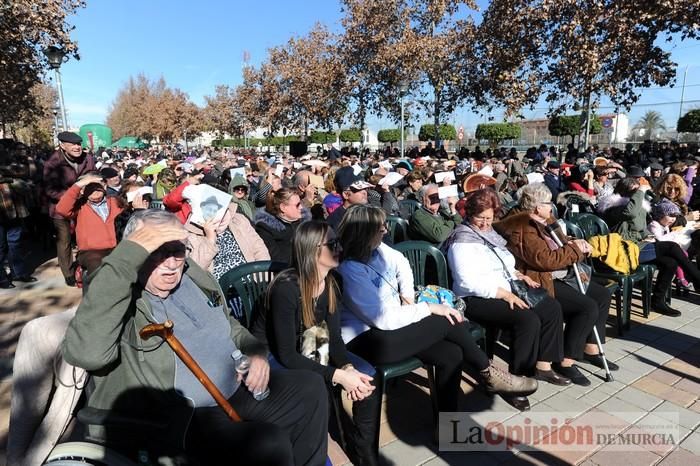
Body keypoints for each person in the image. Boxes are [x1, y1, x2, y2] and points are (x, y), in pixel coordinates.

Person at [62, 209, 329, 466]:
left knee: (310, 387)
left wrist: (256, 353)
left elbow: (229, 325)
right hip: (184, 416)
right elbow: (86, 353)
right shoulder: (120, 296)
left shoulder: (192, 275)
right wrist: (127, 256)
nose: (170, 264)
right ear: (134, 254)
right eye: (156, 252)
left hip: (236, 386)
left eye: (176, 250)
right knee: (267, 444)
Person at [337, 205, 537, 415]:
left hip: (394, 325)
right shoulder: (350, 269)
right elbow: (382, 319)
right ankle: (488, 372)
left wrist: (407, 297)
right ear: (365, 233)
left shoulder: (377, 250)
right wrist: (428, 307)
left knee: (451, 353)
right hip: (367, 340)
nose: (386, 231)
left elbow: (402, 263)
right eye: (380, 228)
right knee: (444, 319)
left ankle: (447, 425)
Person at [253, 221, 380, 466]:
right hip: (271, 354)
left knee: (366, 378)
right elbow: (287, 355)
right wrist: (337, 376)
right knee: (317, 388)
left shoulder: (330, 283)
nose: (339, 247)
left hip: (310, 339)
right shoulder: (286, 288)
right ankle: (316, 455)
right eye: (332, 244)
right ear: (312, 251)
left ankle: (364, 455)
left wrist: (347, 368)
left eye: (338, 242)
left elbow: (333, 337)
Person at [445, 189, 568, 410]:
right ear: (469, 215)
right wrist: (504, 293)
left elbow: (503, 263)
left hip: (505, 287)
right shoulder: (462, 239)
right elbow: (466, 282)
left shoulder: (490, 234)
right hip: (476, 297)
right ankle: (516, 380)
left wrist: (517, 276)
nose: (484, 224)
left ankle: (542, 365)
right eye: (479, 218)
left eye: (489, 218)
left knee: (550, 307)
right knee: (527, 320)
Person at [496, 183, 617, 385]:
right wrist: (576, 252)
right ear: (536, 207)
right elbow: (544, 260)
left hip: (561, 273)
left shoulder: (546, 218)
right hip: (540, 278)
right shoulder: (521, 228)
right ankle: (566, 361)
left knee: (602, 295)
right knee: (586, 308)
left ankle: (591, 347)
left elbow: (560, 242)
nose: (551, 206)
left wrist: (574, 242)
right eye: (547, 203)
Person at [599, 177, 700, 316]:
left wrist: (648, 236)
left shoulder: (637, 206)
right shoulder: (614, 206)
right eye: (636, 191)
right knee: (671, 247)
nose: (640, 194)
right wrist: (640, 191)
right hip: (622, 251)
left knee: (670, 262)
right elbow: (630, 214)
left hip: (637, 247)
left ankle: (657, 301)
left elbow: (640, 228)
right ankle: (698, 279)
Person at [43, 131, 96, 286]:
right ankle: (68, 272)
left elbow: (94, 175)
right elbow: (50, 190)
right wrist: (72, 195)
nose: (77, 147)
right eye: (72, 144)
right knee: (64, 241)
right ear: (62, 145)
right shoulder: (52, 163)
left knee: (85, 236)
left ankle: (87, 264)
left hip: (83, 205)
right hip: (59, 209)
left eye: (78, 144)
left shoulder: (88, 158)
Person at [55, 173, 124, 284]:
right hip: (91, 251)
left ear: (104, 186)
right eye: (89, 187)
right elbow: (61, 209)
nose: (94, 190)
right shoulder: (80, 206)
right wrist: (79, 185)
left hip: (117, 247)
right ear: (82, 190)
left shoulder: (115, 202)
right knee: (98, 270)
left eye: (97, 186)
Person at [186, 203, 270, 280]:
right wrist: (210, 240)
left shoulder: (238, 220)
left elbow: (260, 249)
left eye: (222, 209)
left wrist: (262, 281)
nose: (220, 216)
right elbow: (195, 271)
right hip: (223, 292)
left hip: (253, 284)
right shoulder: (192, 234)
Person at [255, 188, 308, 264]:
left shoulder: (302, 224)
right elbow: (277, 259)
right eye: (297, 205)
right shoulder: (266, 229)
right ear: (283, 207)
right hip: (287, 272)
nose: (301, 208)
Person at [326, 166, 373, 231]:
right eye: (359, 189)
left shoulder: (370, 213)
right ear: (346, 195)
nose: (365, 192)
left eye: (365, 188)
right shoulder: (335, 221)